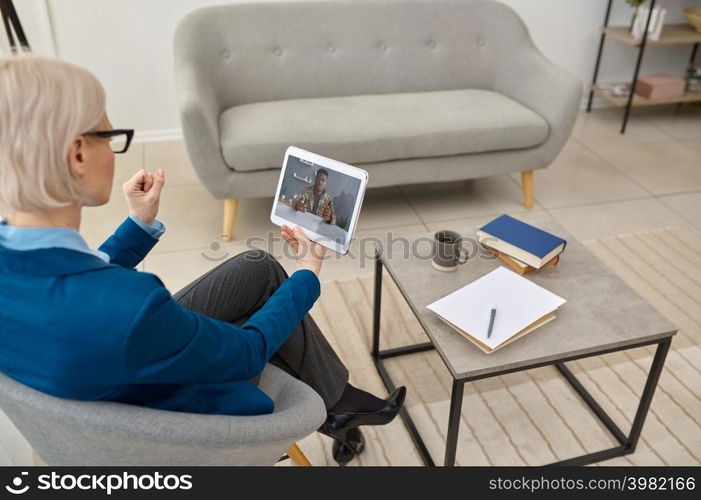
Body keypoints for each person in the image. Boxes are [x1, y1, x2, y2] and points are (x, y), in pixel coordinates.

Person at [0, 55, 405, 466]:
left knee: (257, 268)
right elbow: (248, 352)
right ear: (78, 156)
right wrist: (308, 271)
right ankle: (339, 403)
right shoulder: (132, 304)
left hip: (101, 369)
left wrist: (138, 223)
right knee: (275, 304)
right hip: (184, 420)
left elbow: (75, 281)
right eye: (108, 135)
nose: (113, 148)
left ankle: (340, 403)